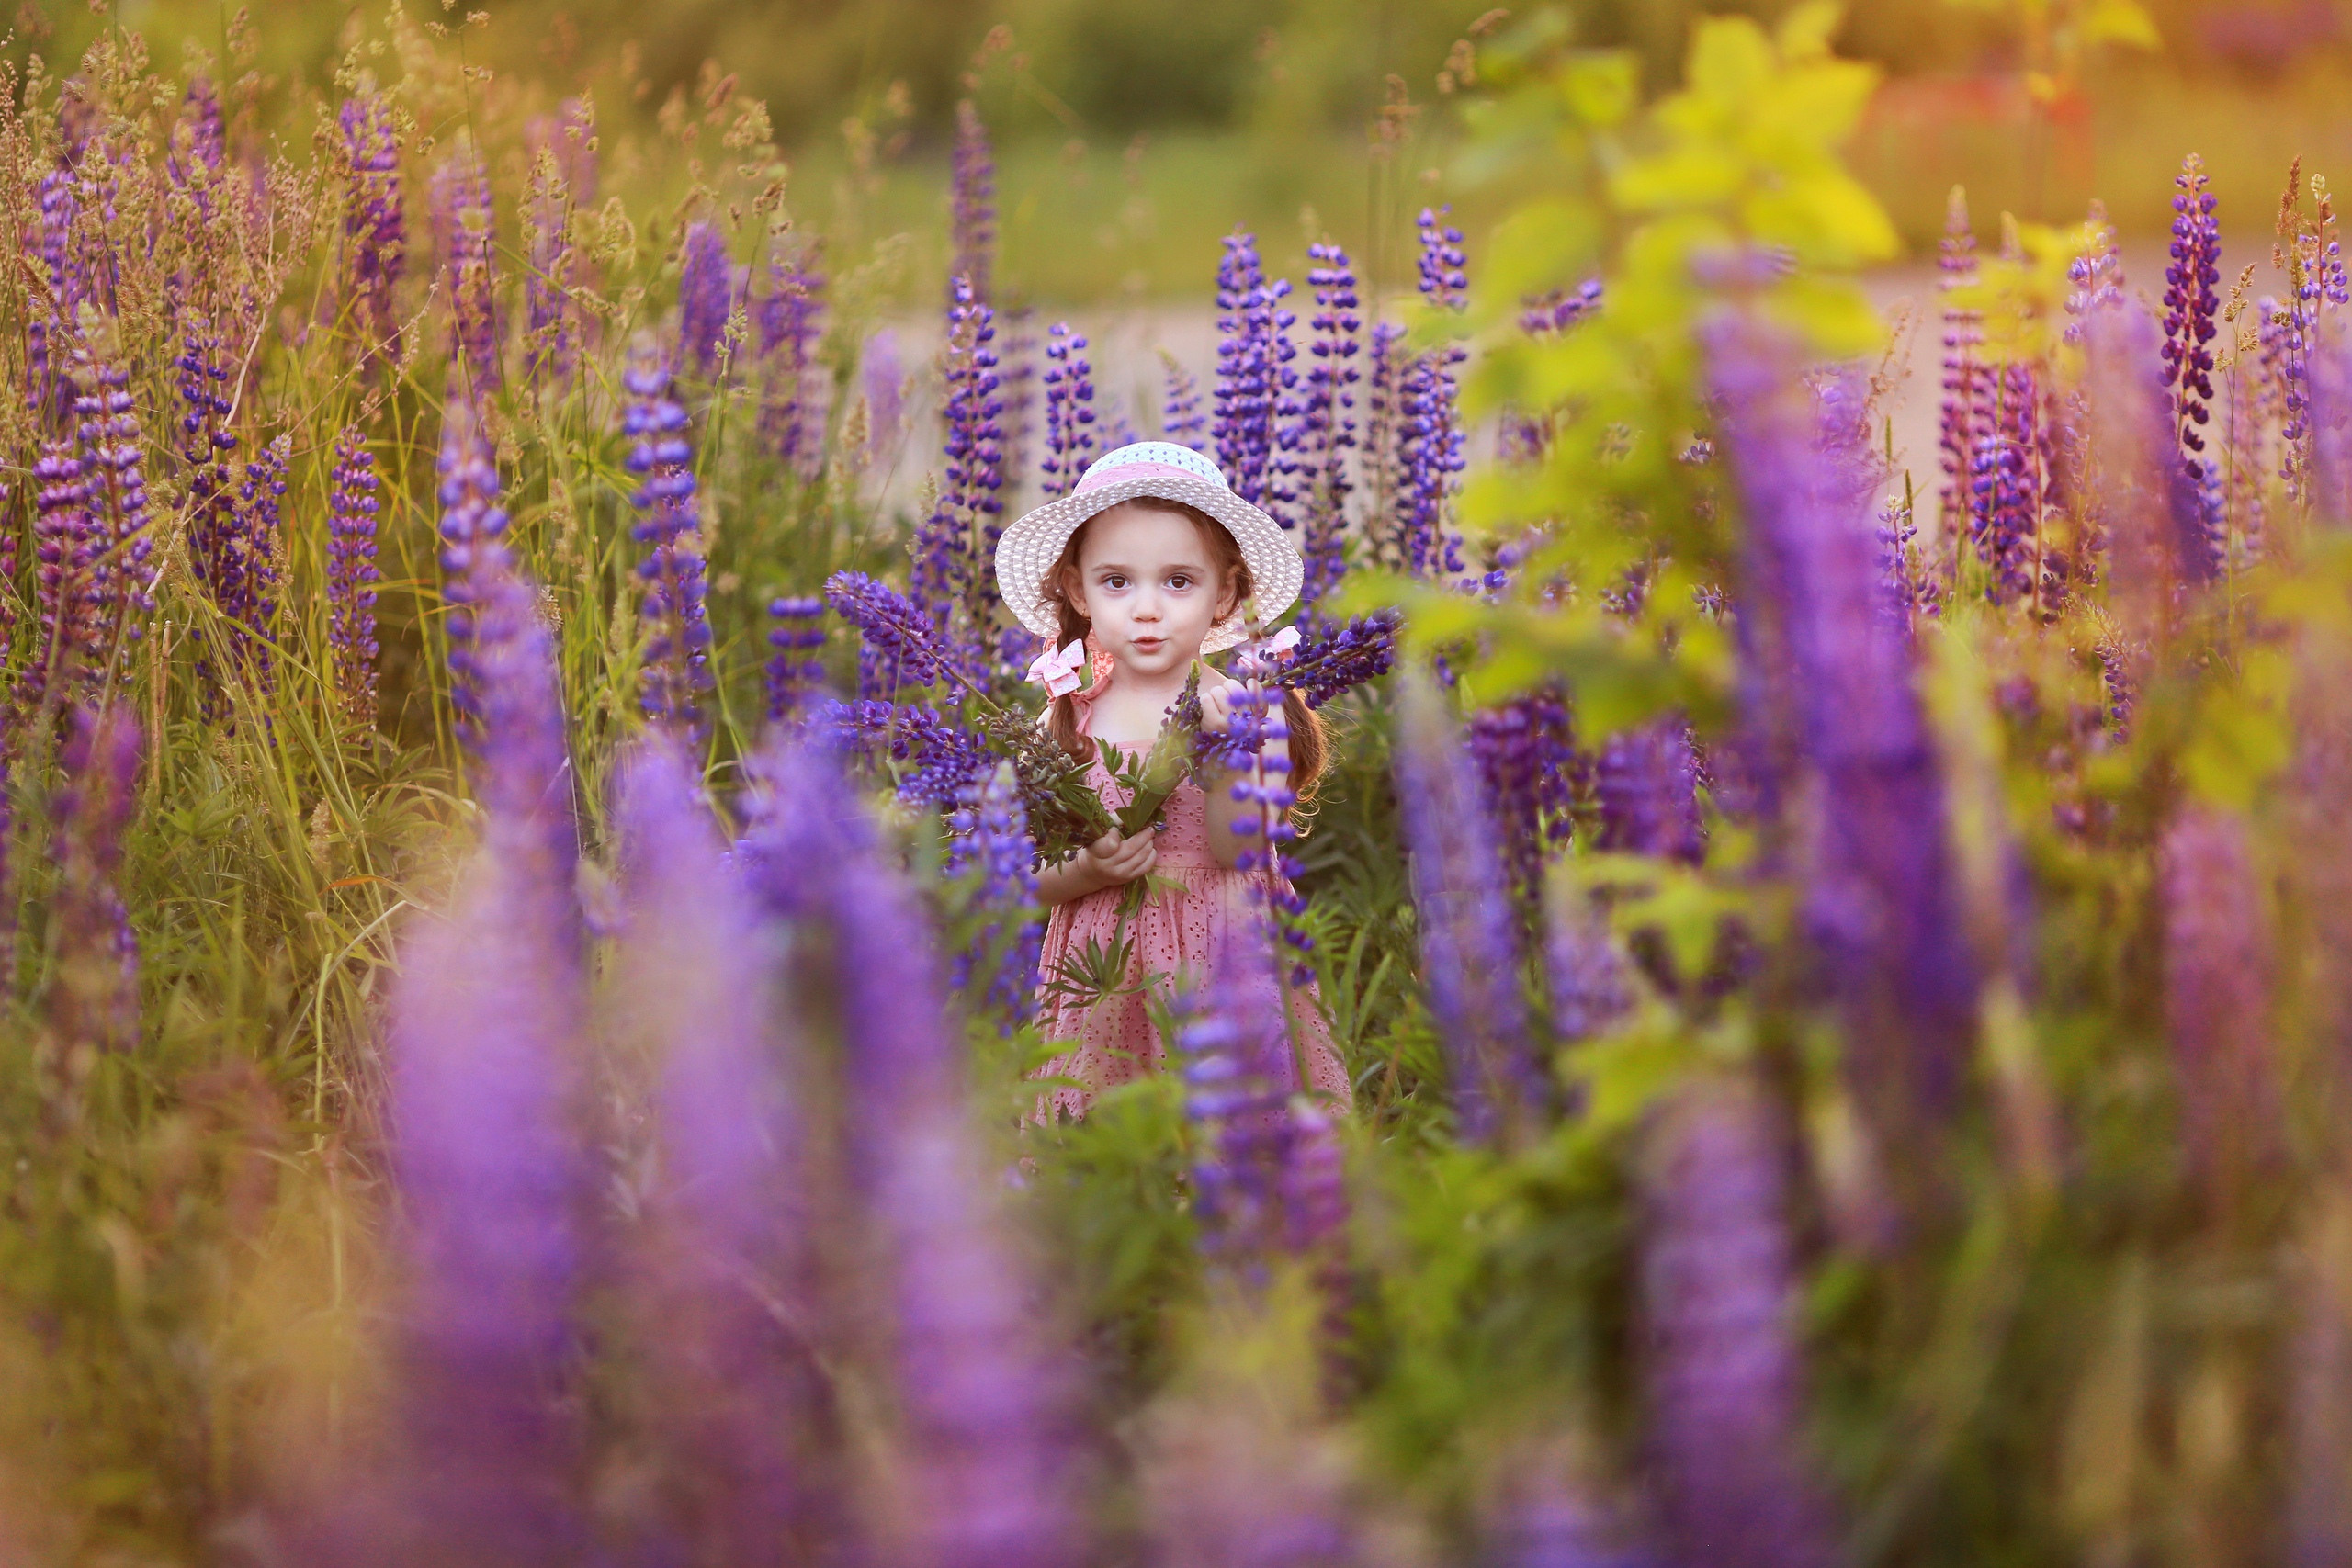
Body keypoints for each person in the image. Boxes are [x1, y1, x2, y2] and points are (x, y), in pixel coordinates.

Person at [993, 441, 1351, 1121]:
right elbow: (1018, 868)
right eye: (1117, 582)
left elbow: (1237, 850)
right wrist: (1085, 872)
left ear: (1226, 594)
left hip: (1226, 961)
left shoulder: (1252, 711)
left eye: (1179, 581)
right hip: (1102, 972)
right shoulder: (1064, 715)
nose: (1148, 608)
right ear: (1078, 590)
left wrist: (1224, 758)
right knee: (1108, 1138)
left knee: (1236, 1135)